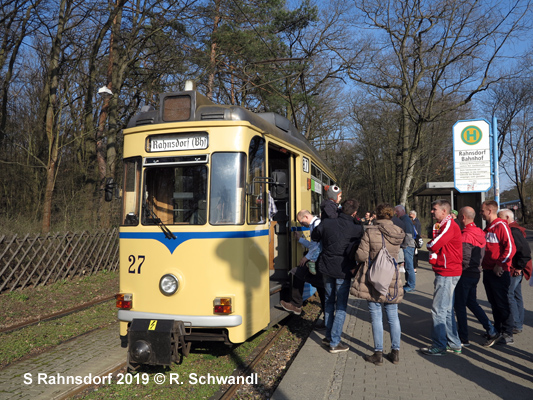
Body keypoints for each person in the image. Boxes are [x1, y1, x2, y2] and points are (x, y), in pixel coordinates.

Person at [352, 203, 406, 365]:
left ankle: (378, 353)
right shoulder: (398, 232)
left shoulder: (371, 231)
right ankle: (395, 352)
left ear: (377, 215)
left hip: (374, 278)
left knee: (376, 316)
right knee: (393, 316)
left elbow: (361, 256)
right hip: (392, 277)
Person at [312, 199, 363, 353]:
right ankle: (335, 341)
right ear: (354, 212)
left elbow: (315, 236)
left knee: (328, 302)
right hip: (344, 269)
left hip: (327, 267)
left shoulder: (327, 223)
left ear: (341, 209)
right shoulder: (356, 228)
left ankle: (328, 337)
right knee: (340, 306)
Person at [420, 199, 463, 356]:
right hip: (448, 270)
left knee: (438, 310)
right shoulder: (445, 225)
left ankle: (439, 345)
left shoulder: (449, 225)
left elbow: (433, 244)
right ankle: (454, 343)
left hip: (447, 272)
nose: (432, 211)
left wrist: (430, 245)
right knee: (446, 310)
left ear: (444, 211)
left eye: (434, 209)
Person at [454, 206, 497, 347]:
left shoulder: (465, 235)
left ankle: (463, 338)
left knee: (460, 305)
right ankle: (491, 329)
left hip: (466, 273)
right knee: (471, 302)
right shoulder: (479, 232)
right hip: (476, 273)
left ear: (462, 217)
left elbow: (465, 257)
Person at [480, 200, 516, 347]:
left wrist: (500, 264)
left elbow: (510, 248)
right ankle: (498, 330)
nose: (481, 213)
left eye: (482, 210)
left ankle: (507, 333)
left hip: (499, 272)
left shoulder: (501, 226)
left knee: (502, 303)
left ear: (489, 211)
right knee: (494, 303)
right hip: (488, 271)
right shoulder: (488, 228)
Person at [281, 210, 325, 319]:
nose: (301, 225)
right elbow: (313, 245)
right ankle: (327, 320)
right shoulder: (314, 225)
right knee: (321, 289)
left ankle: (296, 305)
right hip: (318, 261)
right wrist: (300, 239)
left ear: (306, 217)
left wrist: (307, 257)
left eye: (301, 222)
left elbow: (318, 247)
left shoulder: (317, 225)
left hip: (319, 261)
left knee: (297, 273)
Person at [497, 209, 531, 335]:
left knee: (509, 295)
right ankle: (518, 323)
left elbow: (525, 251)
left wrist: (519, 267)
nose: (498, 220)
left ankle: (516, 323)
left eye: (500, 217)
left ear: (507, 217)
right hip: (517, 268)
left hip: (514, 268)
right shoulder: (514, 229)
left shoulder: (513, 231)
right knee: (516, 295)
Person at [394, 205, 416, 292]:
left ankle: (411, 285)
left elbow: (408, 235)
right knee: (408, 265)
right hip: (407, 245)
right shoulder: (403, 219)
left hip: (408, 246)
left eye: (397, 211)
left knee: (409, 266)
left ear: (402, 211)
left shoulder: (405, 220)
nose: (396, 213)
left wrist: (403, 245)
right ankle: (409, 284)